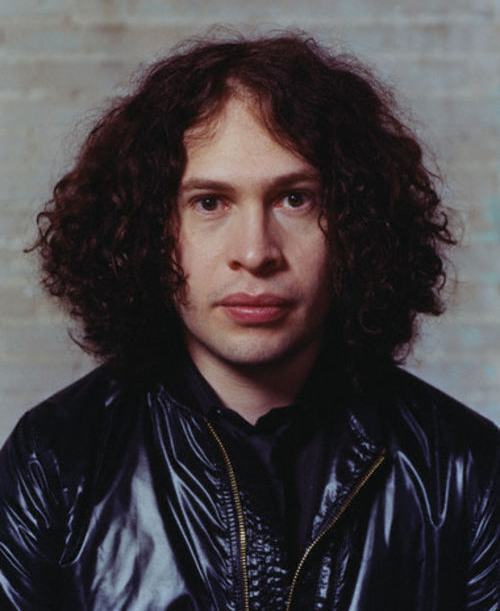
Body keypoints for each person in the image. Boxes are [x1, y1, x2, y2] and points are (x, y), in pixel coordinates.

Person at [0, 31, 498, 611]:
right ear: (148, 230)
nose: (256, 252)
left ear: (357, 222)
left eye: (295, 199)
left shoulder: (464, 470)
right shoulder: (55, 461)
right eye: (209, 202)